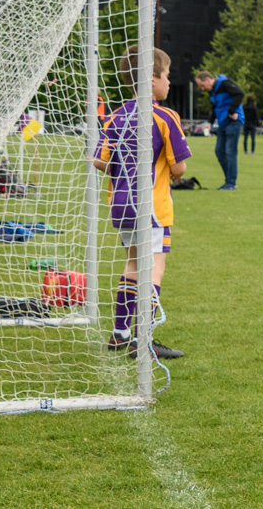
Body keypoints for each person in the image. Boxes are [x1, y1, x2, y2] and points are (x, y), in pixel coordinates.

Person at [95, 45, 190, 359]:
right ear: (152, 77)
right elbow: (179, 168)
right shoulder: (164, 116)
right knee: (154, 270)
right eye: (166, 76)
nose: (169, 82)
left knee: (133, 264)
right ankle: (143, 339)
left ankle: (121, 334)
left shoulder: (116, 116)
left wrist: (126, 167)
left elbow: (100, 161)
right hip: (150, 206)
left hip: (119, 203)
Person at [194, 71, 244, 190]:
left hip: (234, 121)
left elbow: (240, 93)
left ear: (207, 80)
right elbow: (215, 106)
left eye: (202, 85)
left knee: (229, 151)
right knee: (219, 151)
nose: (202, 88)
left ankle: (231, 183)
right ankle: (229, 181)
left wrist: (232, 111)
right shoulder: (212, 90)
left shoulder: (225, 84)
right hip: (222, 122)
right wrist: (210, 122)